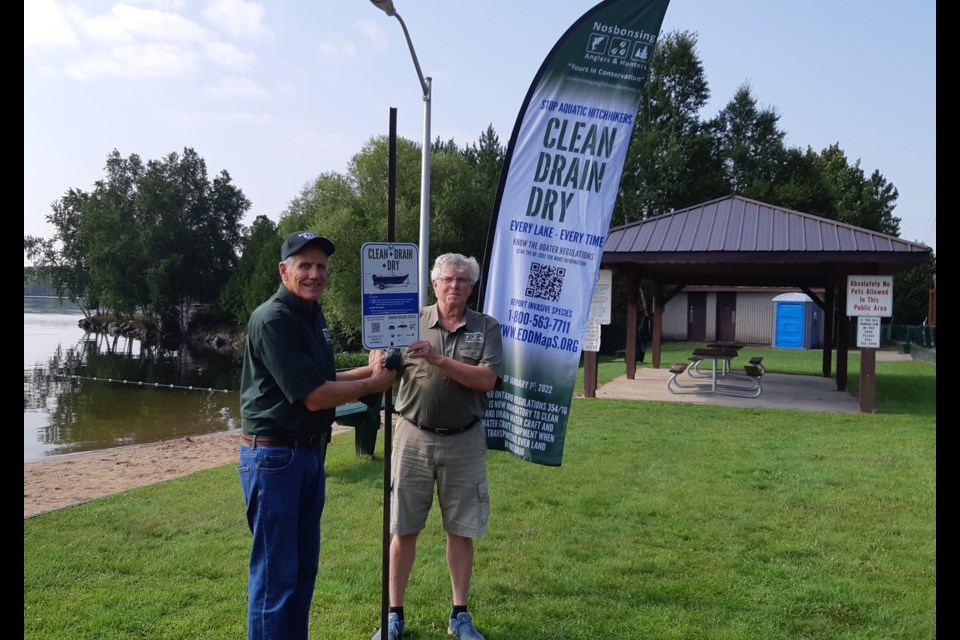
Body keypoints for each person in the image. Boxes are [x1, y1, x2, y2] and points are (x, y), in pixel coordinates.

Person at [239, 230, 396, 640]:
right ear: (283, 270)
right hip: (274, 460)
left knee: (303, 569)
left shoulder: (313, 315)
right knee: (276, 576)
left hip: (308, 456)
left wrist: (371, 368)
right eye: (304, 266)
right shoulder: (273, 318)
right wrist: (375, 384)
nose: (314, 274)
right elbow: (314, 396)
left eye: (321, 267)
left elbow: (324, 377)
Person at [372, 253, 504, 640]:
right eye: (448, 279)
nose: (455, 286)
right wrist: (378, 356)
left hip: (465, 439)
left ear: (472, 286)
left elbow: (486, 380)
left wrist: (438, 359)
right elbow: (382, 375)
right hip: (413, 437)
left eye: (463, 280)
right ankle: (394, 615)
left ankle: (459, 615)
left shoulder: (486, 327)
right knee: (403, 528)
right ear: (434, 284)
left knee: (461, 530)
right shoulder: (408, 321)